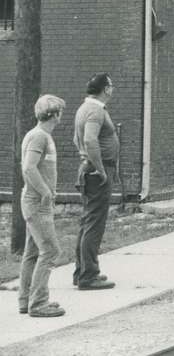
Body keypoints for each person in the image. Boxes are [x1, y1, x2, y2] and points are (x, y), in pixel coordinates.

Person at [18, 95, 67, 318]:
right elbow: (29, 168)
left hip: (34, 201)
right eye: (60, 112)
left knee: (33, 251)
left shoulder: (39, 135)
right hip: (38, 203)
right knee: (50, 250)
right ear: (55, 114)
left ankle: (26, 300)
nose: (61, 116)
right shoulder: (39, 137)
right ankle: (38, 303)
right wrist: (46, 191)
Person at [72, 73, 118, 290]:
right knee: (94, 223)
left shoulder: (84, 108)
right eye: (111, 85)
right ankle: (88, 275)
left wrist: (85, 159)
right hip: (97, 172)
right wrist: (100, 169)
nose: (113, 89)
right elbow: (90, 139)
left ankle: (82, 271)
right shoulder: (95, 110)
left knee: (87, 221)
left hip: (89, 169)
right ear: (105, 89)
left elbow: (77, 139)